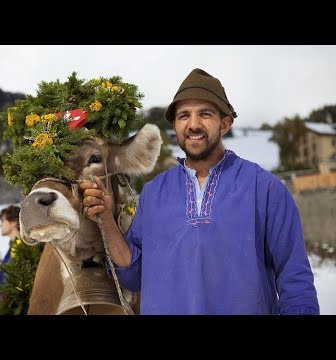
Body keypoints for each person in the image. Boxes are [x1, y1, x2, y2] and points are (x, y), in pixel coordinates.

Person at [80, 68, 319, 315]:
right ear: (174, 125)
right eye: (184, 116)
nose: (193, 124)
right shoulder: (153, 193)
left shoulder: (265, 188)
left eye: (205, 114)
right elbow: (135, 274)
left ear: (224, 123)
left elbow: (295, 280)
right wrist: (107, 219)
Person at [0, 204, 21, 301]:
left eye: (2, 220)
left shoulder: (22, 249)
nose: (0, 224)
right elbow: (5, 280)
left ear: (13, 222)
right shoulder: (12, 248)